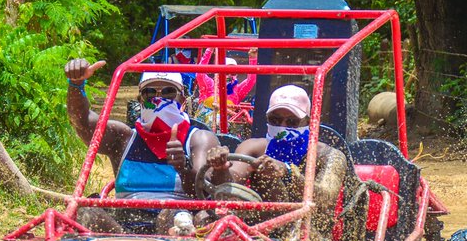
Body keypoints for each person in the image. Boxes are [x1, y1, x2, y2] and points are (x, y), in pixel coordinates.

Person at [65, 58, 220, 232]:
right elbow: (82, 123)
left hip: (177, 225)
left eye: (168, 92)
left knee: (170, 214)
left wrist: (183, 168)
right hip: (122, 229)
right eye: (150, 93)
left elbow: (203, 193)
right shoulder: (123, 138)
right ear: (140, 100)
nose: (158, 99)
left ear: (182, 100)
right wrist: (76, 84)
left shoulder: (198, 139)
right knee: (87, 212)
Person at [203, 84, 334, 202]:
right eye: (275, 120)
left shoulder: (327, 154)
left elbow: (327, 197)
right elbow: (231, 184)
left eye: (292, 121)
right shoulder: (252, 148)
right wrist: (220, 168)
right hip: (258, 222)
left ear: (308, 122)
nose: (282, 126)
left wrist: (288, 172)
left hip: (306, 223)